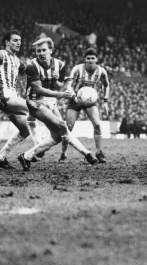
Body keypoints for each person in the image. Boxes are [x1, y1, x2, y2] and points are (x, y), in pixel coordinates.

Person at [17, 38, 98, 171]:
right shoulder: (31, 66)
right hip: (35, 102)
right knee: (62, 126)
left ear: (50, 50)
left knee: (57, 135)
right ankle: (87, 154)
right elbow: (38, 89)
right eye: (38, 51)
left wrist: (56, 80)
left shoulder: (60, 64)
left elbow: (58, 85)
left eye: (44, 50)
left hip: (50, 101)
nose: (41, 53)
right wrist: (61, 95)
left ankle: (27, 156)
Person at [59, 48, 109, 163]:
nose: (90, 61)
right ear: (85, 60)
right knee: (69, 127)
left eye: (93, 58)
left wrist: (105, 101)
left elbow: (107, 85)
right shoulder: (77, 69)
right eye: (88, 58)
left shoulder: (101, 71)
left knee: (97, 125)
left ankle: (99, 152)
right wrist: (73, 95)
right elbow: (69, 85)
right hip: (75, 99)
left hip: (90, 101)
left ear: (96, 59)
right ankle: (64, 153)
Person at [0, 30, 40, 169]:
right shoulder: (2, 54)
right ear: (7, 42)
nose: (19, 43)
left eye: (20, 40)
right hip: (5, 96)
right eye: (15, 40)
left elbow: (30, 70)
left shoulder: (17, 60)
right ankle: (39, 149)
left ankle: (1, 157)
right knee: (36, 108)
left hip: (11, 97)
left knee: (24, 130)